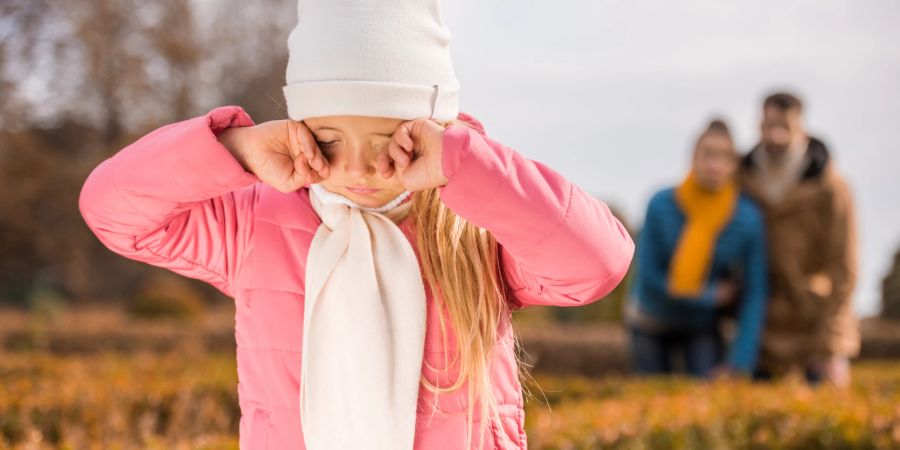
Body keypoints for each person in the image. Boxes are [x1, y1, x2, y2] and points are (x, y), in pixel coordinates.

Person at [76, 0, 635, 448]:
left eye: (390, 139)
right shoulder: (256, 220)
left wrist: (466, 166)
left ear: (434, 129)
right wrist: (237, 149)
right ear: (299, 127)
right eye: (328, 140)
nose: (361, 168)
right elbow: (114, 211)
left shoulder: (474, 226)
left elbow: (597, 264)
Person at [626, 119, 768, 379]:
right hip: (651, 318)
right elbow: (648, 278)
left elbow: (754, 292)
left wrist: (740, 363)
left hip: (702, 326)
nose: (715, 165)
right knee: (651, 397)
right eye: (708, 155)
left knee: (705, 395)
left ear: (734, 164)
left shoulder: (747, 219)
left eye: (724, 157)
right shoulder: (660, 204)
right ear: (693, 158)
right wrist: (709, 296)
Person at [739, 92, 859, 387]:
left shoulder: (831, 188)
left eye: (785, 126)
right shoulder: (742, 178)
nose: (775, 134)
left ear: (801, 129)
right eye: (768, 125)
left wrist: (830, 342)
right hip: (762, 329)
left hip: (814, 327)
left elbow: (844, 266)